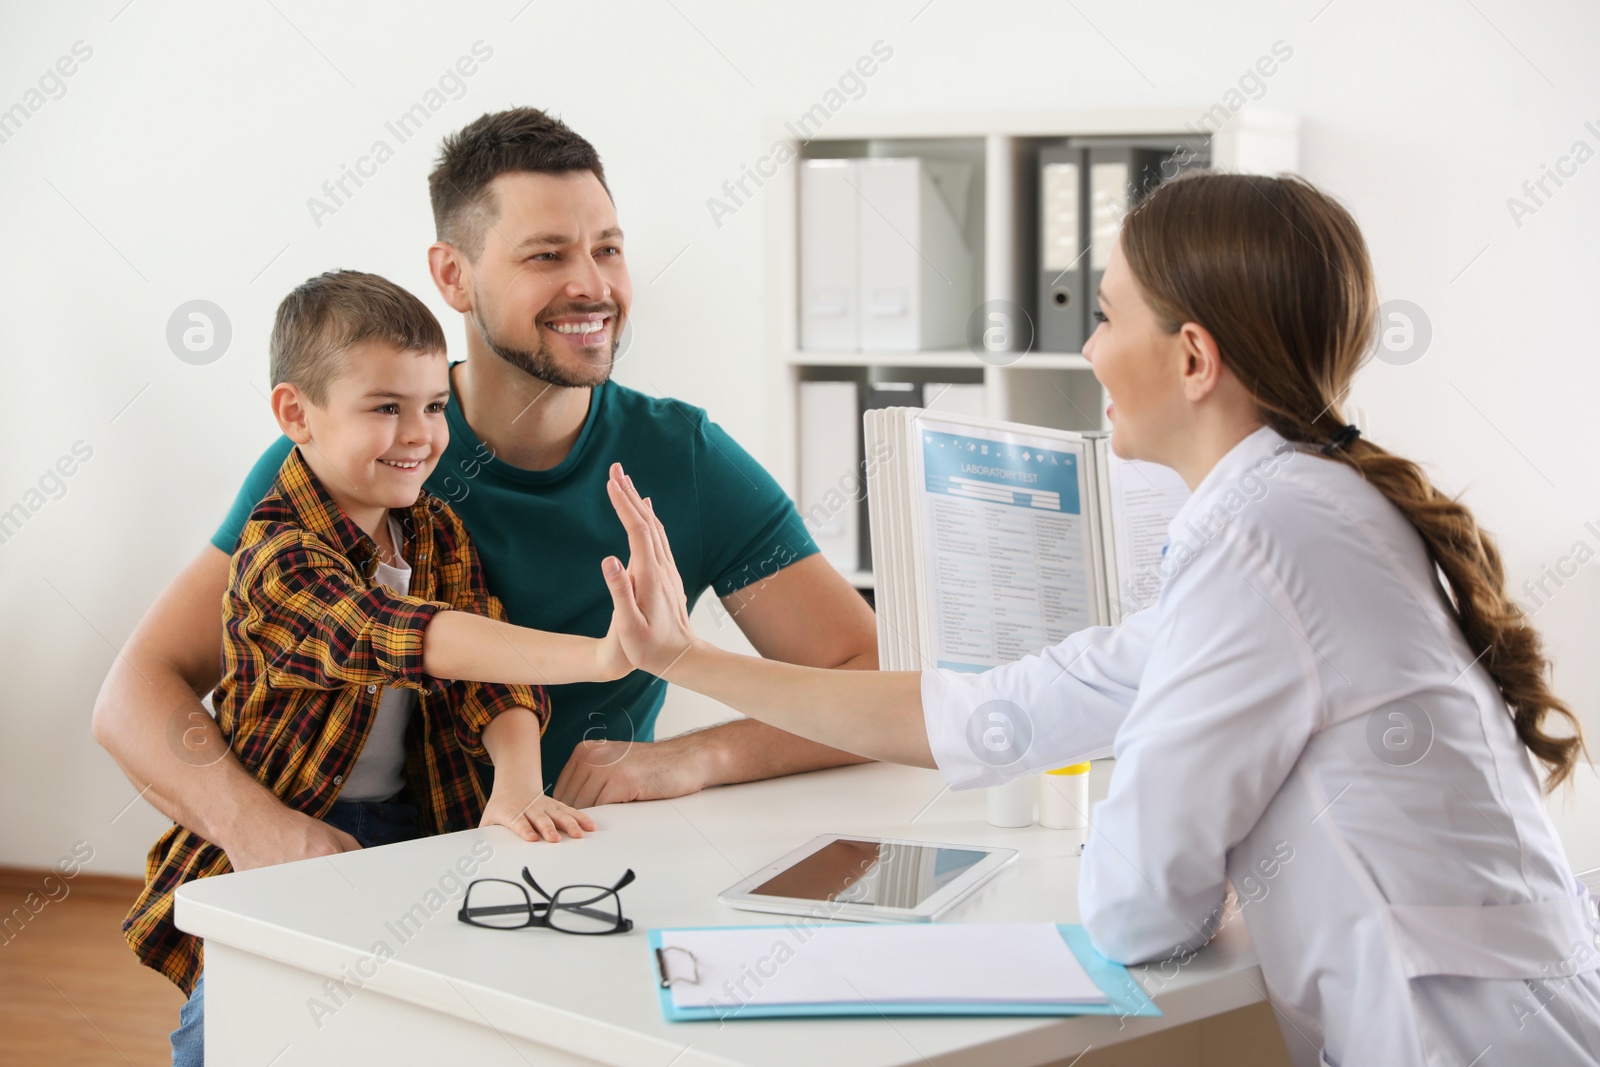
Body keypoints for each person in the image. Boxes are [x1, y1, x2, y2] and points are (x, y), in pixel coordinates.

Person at [595, 172, 1600, 1066]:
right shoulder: (1301, 506)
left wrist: (1195, 838)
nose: (1086, 345)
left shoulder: (1257, 539)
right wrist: (689, 656)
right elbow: (992, 710)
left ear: (1193, 357)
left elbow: (1138, 908)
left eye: (1108, 315)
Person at [91, 108, 877, 877]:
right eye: (546, 255)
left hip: (581, 873)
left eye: (608, 248)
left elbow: (870, 674)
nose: (593, 285)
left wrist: (699, 754)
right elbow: (134, 693)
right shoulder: (348, 462)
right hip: (361, 874)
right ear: (452, 276)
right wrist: (257, 828)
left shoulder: (685, 460)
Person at [134, 269, 640, 1064]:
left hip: (413, 826)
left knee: (404, 1022)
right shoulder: (275, 552)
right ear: (296, 413)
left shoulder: (436, 530)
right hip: (284, 830)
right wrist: (604, 656)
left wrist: (516, 780)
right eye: (385, 408)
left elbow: (490, 665)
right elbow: (392, 633)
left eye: (435, 406)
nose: (421, 435)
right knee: (242, 1022)